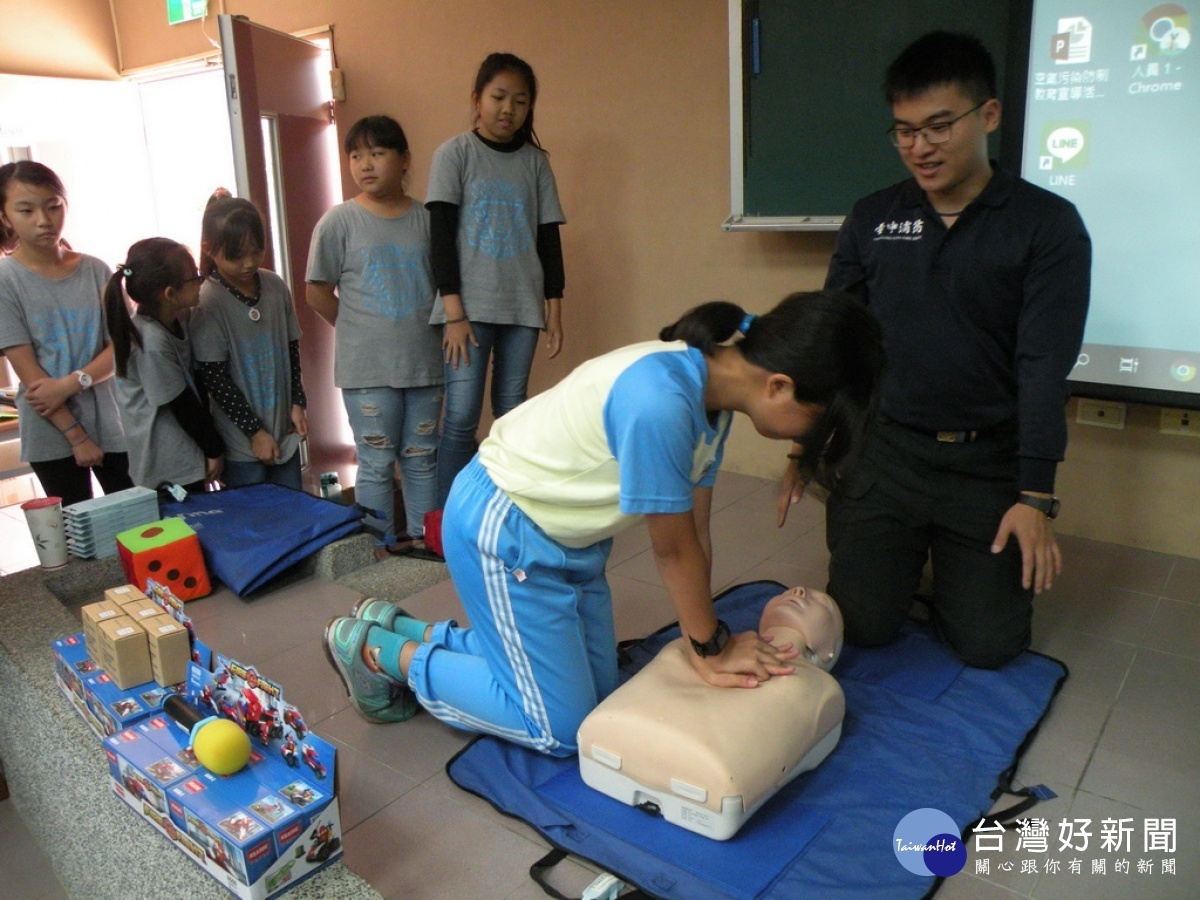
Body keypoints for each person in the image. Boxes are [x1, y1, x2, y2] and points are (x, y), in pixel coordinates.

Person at [323, 290, 884, 757]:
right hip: (505, 531)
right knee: (560, 730)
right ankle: (376, 651)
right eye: (815, 424)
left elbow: (696, 536)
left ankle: (413, 630)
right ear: (780, 385)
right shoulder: (661, 400)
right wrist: (712, 646)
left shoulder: (714, 403)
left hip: (566, 543)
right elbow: (671, 552)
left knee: (598, 700)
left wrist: (705, 641)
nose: (805, 440)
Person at [777, 31, 1091, 668]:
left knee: (990, 646)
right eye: (904, 130)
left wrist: (1034, 498)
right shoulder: (873, 217)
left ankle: (956, 566)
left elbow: (1043, 366)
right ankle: (905, 558)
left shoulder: (1047, 225)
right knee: (863, 625)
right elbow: (835, 341)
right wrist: (805, 447)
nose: (919, 147)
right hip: (886, 449)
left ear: (990, 116)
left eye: (939, 126)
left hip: (986, 462)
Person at [426, 52, 567, 508]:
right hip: (466, 311)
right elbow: (441, 238)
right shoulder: (454, 154)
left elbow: (548, 239)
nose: (508, 109)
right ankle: (450, 523)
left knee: (512, 414)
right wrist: (453, 313)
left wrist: (554, 308)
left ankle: (509, 511)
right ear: (477, 99)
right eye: (499, 97)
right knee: (462, 418)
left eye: (520, 101)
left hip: (522, 307)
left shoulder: (535, 163)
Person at [306, 115, 443, 558]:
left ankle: (427, 542)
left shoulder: (427, 219)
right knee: (377, 461)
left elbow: (446, 287)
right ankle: (377, 548)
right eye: (356, 155)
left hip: (425, 363)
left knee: (421, 459)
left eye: (378, 153)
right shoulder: (338, 222)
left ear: (403, 160)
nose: (365, 164)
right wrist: (359, 328)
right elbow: (317, 292)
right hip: (367, 370)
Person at [0, 161, 133, 506]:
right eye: (26, 210)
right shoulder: (6, 279)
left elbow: (121, 345)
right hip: (52, 433)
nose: (44, 220)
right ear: (5, 216)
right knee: (79, 534)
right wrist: (76, 437)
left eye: (53, 205)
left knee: (139, 521)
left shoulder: (95, 269)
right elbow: (32, 379)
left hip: (112, 422)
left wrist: (73, 382)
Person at [192, 194, 308, 491]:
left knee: (294, 514)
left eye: (256, 252)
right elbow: (215, 379)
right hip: (242, 446)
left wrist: (298, 402)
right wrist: (255, 432)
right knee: (256, 523)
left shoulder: (274, 286)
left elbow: (292, 349)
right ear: (209, 249)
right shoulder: (208, 300)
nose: (249, 263)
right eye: (236, 256)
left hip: (284, 434)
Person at [105, 237, 225, 493]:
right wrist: (214, 449)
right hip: (165, 468)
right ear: (170, 294)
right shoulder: (151, 341)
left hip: (184, 453)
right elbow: (182, 405)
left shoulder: (177, 318)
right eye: (195, 277)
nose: (200, 282)